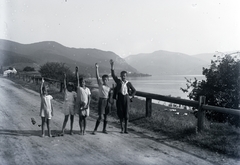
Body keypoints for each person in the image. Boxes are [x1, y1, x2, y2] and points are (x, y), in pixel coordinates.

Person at [110, 59, 136, 134]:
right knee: (120, 113)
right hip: (120, 99)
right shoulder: (118, 81)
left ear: (126, 76)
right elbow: (113, 75)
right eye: (122, 75)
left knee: (126, 114)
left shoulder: (128, 83)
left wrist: (132, 96)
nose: (123, 77)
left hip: (126, 99)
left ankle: (126, 129)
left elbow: (134, 90)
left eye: (125, 75)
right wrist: (112, 66)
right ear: (120, 76)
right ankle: (121, 129)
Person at [92, 63, 113, 135]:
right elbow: (97, 77)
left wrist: (110, 102)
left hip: (107, 101)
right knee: (100, 116)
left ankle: (104, 129)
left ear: (108, 80)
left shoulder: (109, 87)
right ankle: (95, 130)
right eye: (103, 79)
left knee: (106, 116)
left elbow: (110, 95)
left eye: (106, 79)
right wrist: (96, 68)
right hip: (101, 100)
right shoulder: (101, 85)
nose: (104, 81)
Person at [75, 67, 91, 135]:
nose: (82, 83)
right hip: (81, 105)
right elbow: (77, 79)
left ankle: (84, 130)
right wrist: (77, 72)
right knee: (81, 118)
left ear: (85, 83)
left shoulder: (87, 89)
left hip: (86, 106)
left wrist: (88, 105)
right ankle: (81, 129)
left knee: (85, 118)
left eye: (83, 82)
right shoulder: (79, 88)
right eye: (81, 82)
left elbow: (89, 97)